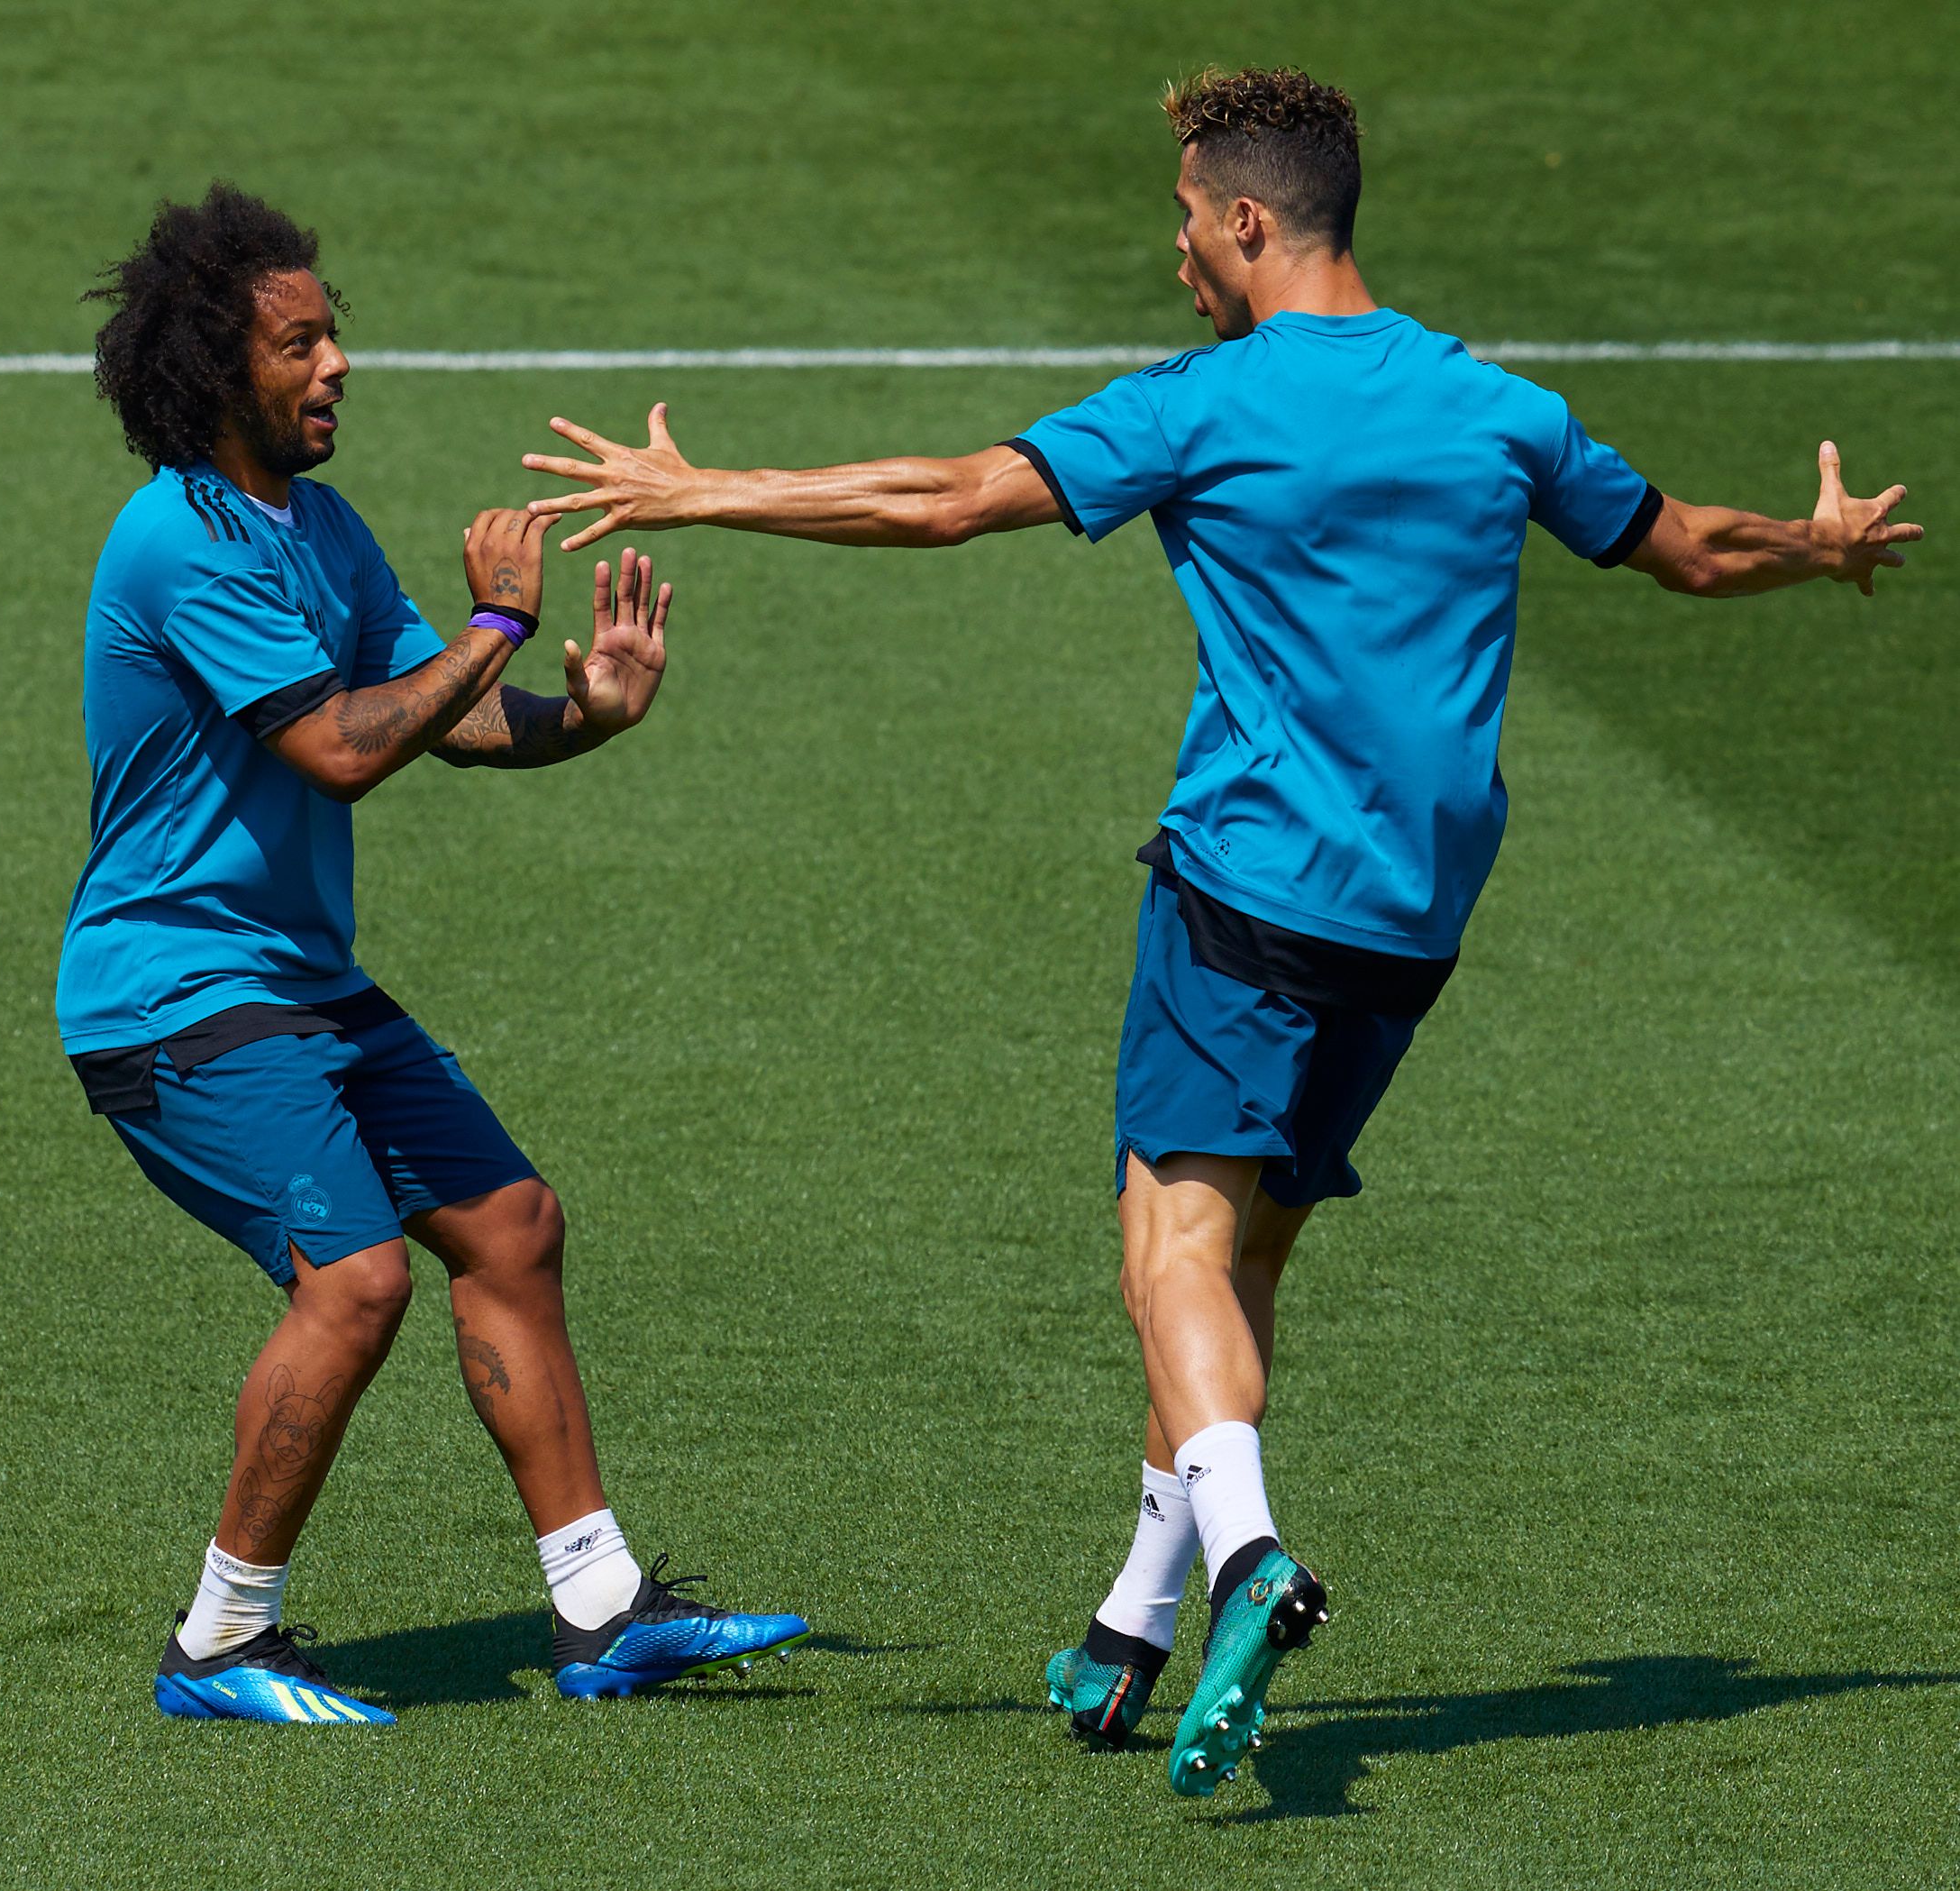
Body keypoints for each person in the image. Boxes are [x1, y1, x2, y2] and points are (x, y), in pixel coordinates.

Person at [519, 69, 1921, 1795]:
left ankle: (1253, 1561)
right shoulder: (1501, 408)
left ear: (1250, 224)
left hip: (1249, 890)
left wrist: (707, 488)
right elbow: (1693, 550)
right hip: (1414, 918)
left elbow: (948, 497)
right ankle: (1130, 1625)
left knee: (1165, 1252)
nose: (1176, 247)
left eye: (1188, 217)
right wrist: (1819, 542)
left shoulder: (1212, 402)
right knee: (1242, 1264)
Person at [59, 184, 808, 1726]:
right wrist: (495, 614)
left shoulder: (316, 529)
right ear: (217, 366)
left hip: (294, 982)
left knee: (513, 1225)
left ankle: (603, 1609)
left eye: (337, 336)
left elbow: (448, 715)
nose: (337, 364)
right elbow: (341, 748)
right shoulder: (178, 542)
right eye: (301, 342)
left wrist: (581, 710)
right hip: (173, 992)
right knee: (356, 1280)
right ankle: (220, 1642)